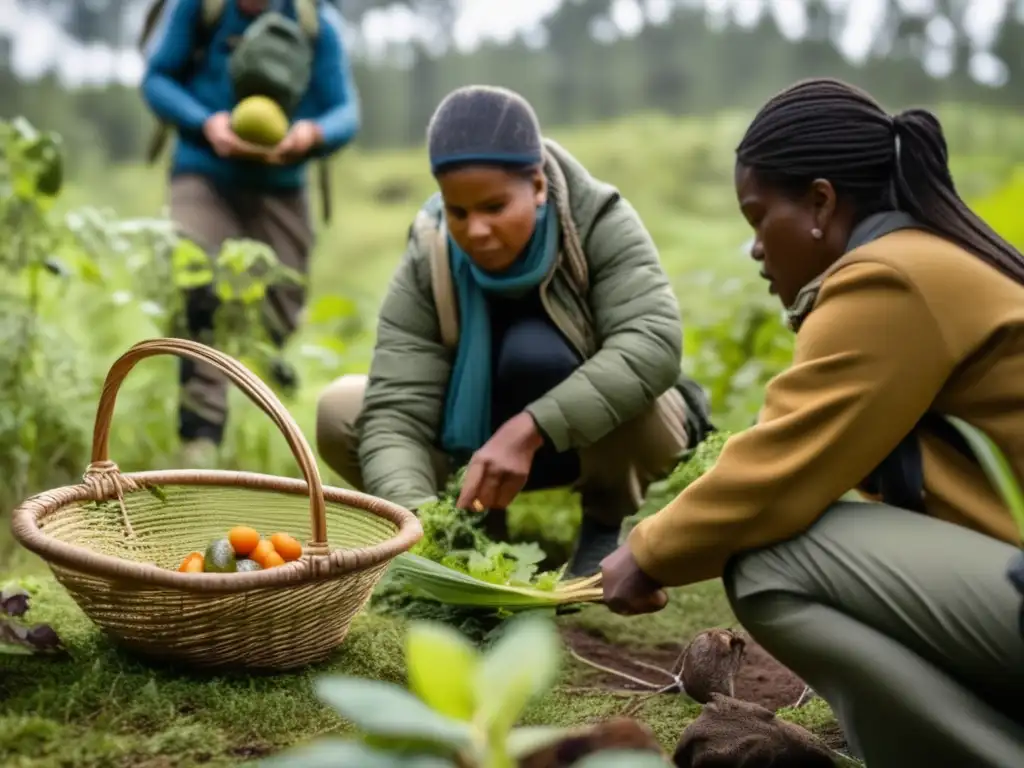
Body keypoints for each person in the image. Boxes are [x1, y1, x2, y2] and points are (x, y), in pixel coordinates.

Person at [600, 77, 1024, 767]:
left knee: (774, 560)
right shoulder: (930, 261)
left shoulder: (891, 278)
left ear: (822, 202)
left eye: (759, 217)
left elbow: (777, 473)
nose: (756, 249)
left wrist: (645, 551)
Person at [315, 85, 713, 578]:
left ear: (539, 186)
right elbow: (398, 408)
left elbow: (651, 344)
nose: (475, 230)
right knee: (341, 411)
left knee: (585, 369)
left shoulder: (598, 220)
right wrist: (424, 531)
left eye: (494, 207)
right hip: (479, 446)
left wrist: (527, 431)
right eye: (458, 212)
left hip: (593, 443)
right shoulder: (431, 249)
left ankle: (606, 523)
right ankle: (473, 522)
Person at [141, 0, 360, 466]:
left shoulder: (314, 22)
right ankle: (199, 436)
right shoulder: (201, 9)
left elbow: (346, 111)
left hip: (280, 189)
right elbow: (157, 78)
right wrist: (206, 123)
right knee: (200, 288)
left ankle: (257, 364)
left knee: (280, 308)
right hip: (203, 175)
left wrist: (310, 136)